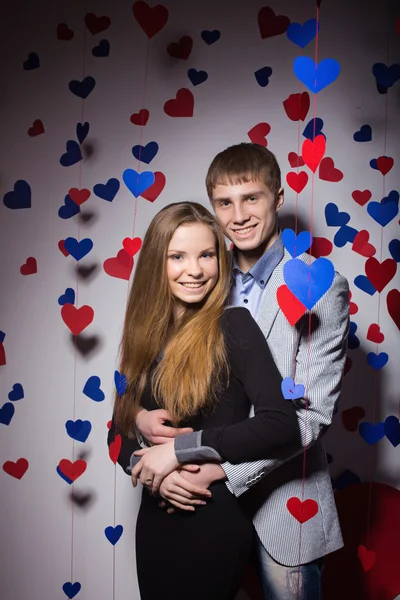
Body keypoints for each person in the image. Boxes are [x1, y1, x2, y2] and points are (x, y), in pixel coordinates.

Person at [133, 143, 350, 600]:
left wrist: (212, 468)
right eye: (225, 203)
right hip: (199, 513)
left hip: (284, 507)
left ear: (278, 195)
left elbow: (309, 416)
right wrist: (139, 424)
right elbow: (161, 383)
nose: (239, 215)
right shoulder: (202, 275)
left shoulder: (318, 284)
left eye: (251, 198)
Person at [107, 201, 301, 600]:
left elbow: (281, 423)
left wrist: (177, 452)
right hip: (155, 525)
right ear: (156, 264)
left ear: (221, 259)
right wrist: (146, 465)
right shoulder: (144, 336)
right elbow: (117, 429)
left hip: (211, 520)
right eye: (177, 256)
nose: (194, 270)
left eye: (207, 255)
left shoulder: (235, 326)